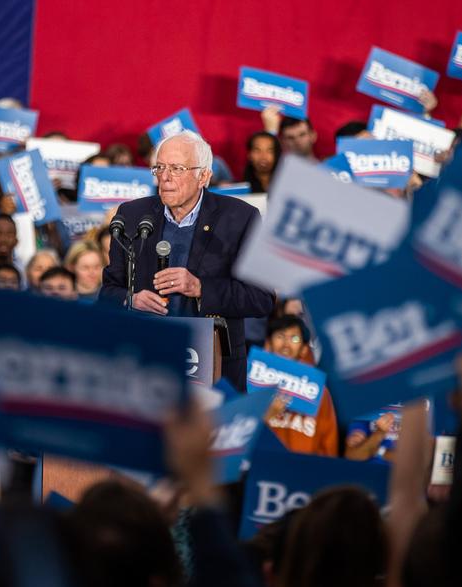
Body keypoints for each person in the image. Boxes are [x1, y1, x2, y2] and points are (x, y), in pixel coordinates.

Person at [100, 130, 275, 389]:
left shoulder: (240, 218)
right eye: (159, 167)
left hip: (213, 368)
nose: (165, 177)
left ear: (203, 175)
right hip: (146, 364)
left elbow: (262, 298)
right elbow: (108, 292)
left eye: (177, 168)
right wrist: (130, 299)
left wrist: (201, 288)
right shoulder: (133, 214)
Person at [261, 315, 339, 456]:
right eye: (280, 336)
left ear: (304, 349)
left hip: (305, 471)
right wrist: (268, 415)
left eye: (294, 338)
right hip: (262, 467)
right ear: (268, 344)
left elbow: (328, 443)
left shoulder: (320, 391)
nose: (286, 344)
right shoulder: (254, 383)